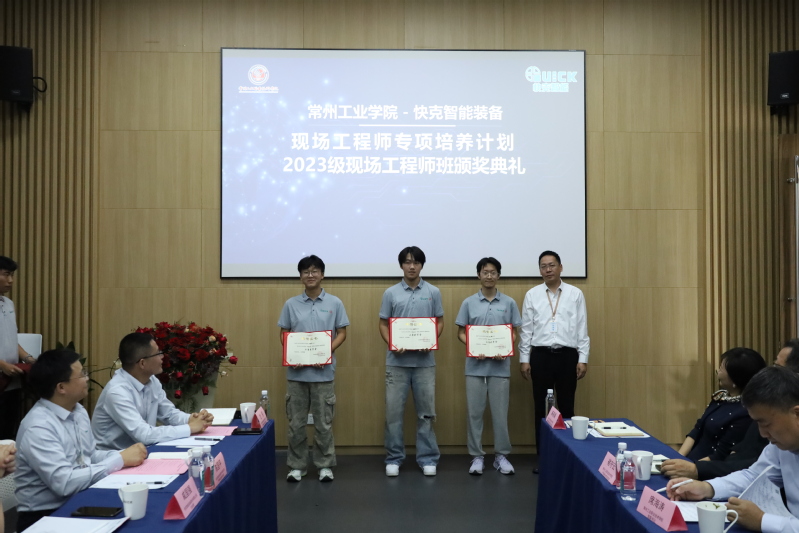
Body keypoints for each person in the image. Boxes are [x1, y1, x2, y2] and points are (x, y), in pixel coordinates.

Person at [15, 350, 147, 532]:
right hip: (45, 515)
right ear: (61, 387)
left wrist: (122, 455)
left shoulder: (77, 411)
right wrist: (120, 460)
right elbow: (64, 483)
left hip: (81, 499)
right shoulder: (38, 427)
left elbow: (89, 455)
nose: (87, 378)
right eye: (82, 374)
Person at [668, 365, 799, 532]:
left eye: (766, 424)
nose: (762, 433)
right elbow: (754, 476)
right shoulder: (782, 444)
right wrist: (707, 488)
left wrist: (762, 521)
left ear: (797, 414)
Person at [278, 255, 349, 483]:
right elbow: (284, 333)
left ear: (322, 274)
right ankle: (296, 466)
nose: (310, 275)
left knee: (323, 423)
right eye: (306, 271)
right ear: (300, 276)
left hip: (323, 373)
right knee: (296, 424)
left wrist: (325, 351)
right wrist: (292, 353)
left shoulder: (335, 303)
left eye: (315, 271)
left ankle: (324, 465)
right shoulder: (291, 304)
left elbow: (342, 333)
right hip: (297, 374)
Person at [518, 251, 589, 469]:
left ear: (560, 267)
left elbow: (582, 327)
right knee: (542, 410)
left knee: (567, 407)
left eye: (551, 265)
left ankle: (568, 458)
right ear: (540, 270)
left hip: (568, 356)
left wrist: (583, 358)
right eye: (543, 266)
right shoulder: (532, 295)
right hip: (540, 356)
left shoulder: (575, 294)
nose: (548, 269)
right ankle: (545, 459)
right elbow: (526, 330)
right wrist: (524, 359)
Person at [379, 246, 444, 477]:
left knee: (426, 413)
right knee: (393, 414)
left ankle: (428, 458)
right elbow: (383, 324)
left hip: (424, 363)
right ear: (401, 265)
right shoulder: (390, 293)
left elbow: (439, 321)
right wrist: (393, 343)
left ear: (422, 265)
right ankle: (394, 458)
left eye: (416, 262)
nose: (412, 266)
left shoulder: (433, 292)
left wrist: (432, 339)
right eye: (407, 262)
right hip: (396, 363)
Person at [455, 257, 522, 475]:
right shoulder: (468, 303)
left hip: (500, 368)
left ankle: (501, 456)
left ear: (498, 275)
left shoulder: (509, 303)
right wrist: (473, 346)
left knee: (500, 414)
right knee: (474, 414)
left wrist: (506, 347)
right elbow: (461, 332)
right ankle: (476, 456)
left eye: (493, 272)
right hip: (475, 367)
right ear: (479, 275)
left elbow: (513, 332)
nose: (489, 276)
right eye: (485, 272)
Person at [92, 332, 212, 450]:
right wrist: (190, 428)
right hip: (115, 457)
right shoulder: (117, 392)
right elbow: (144, 435)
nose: (162, 357)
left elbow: (169, 414)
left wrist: (192, 419)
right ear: (142, 363)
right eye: (158, 353)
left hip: (143, 451)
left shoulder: (151, 380)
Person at [675, 348, 765, 463]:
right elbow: (697, 429)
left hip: (706, 467)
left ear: (735, 379)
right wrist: (678, 457)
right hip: (689, 461)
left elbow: (721, 454)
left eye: (721, 368)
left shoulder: (746, 412)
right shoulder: (721, 396)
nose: (718, 372)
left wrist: (689, 467)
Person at [0, 256, 36, 440]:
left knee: (9, 429)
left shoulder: (8, 303)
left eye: (12, 275)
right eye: (6, 274)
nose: (11, 280)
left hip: (12, 378)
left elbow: (11, 338)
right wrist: (2, 365)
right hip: (3, 373)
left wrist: (28, 358)